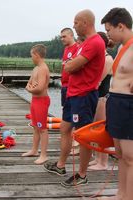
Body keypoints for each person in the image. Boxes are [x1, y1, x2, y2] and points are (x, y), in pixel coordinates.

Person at [45, 10, 106, 187]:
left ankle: (82, 174)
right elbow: (69, 67)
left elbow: (70, 67)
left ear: (85, 22)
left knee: (83, 135)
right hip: (73, 93)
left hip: (84, 95)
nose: (74, 25)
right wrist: (70, 65)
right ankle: (60, 165)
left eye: (76, 23)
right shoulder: (84, 43)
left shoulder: (94, 42)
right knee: (65, 128)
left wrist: (70, 65)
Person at [101, 7, 133, 200]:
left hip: (129, 104)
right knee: (120, 154)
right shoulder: (123, 47)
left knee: (130, 156)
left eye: (108, 30)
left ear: (120, 26)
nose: (108, 35)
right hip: (116, 102)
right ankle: (121, 194)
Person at [44, 27, 79, 175]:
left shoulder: (77, 48)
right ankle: (62, 161)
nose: (62, 39)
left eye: (64, 36)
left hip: (74, 89)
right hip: (65, 87)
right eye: (60, 37)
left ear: (71, 35)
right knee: (66, 119)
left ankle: (76, 143)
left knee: (76, 121)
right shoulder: (66, 50)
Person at [88, 31, 114, 171]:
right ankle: (97, 158)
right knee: (95, 129)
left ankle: (103, 162)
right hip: (96, 97)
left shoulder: (108, 59)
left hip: (103, 98)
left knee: (101, 130)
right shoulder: (100, 57)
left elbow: (97, 80)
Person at [21, 44, 51, 165]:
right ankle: (34, 150)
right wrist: (30, 87)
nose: (31, 58)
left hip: (42, 101)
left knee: (42, 128)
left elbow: (39, 88)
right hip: (34, 101)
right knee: (35, 126)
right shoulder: (36, 68)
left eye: (32, 56)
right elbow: (29, 83)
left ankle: (44, 155)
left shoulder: (43, 68)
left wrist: (29, 89)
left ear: (37, 55)